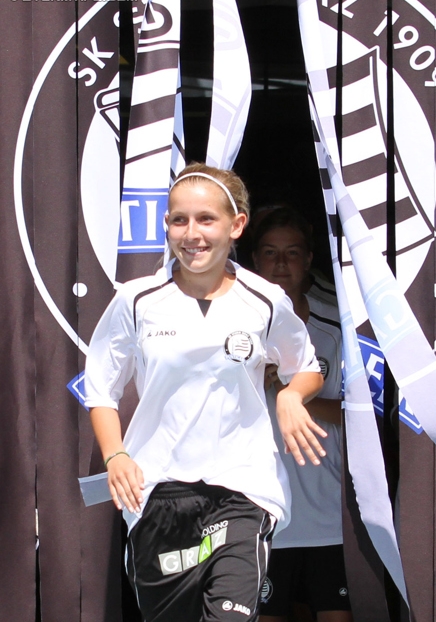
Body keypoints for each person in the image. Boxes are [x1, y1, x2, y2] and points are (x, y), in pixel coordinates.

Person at [84, 163, 325, 622]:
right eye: (179, 219)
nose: (191, 233)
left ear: (236, 225)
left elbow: (306, 368)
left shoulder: (265, 299)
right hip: (156, 492)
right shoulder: (135, 300)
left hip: (243, 489)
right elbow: (100, 387)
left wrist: (291, 396)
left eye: (206, 219)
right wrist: (115, 456)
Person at [253, 208, 353, 622]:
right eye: (270, 252)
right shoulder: (233, 323)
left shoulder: (340, 324)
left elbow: (362, 415)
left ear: (310, 258)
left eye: (292, 253)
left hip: (330, 509)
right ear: (253, 259)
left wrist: (293, 393)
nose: (280, 264)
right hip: (263, 511)